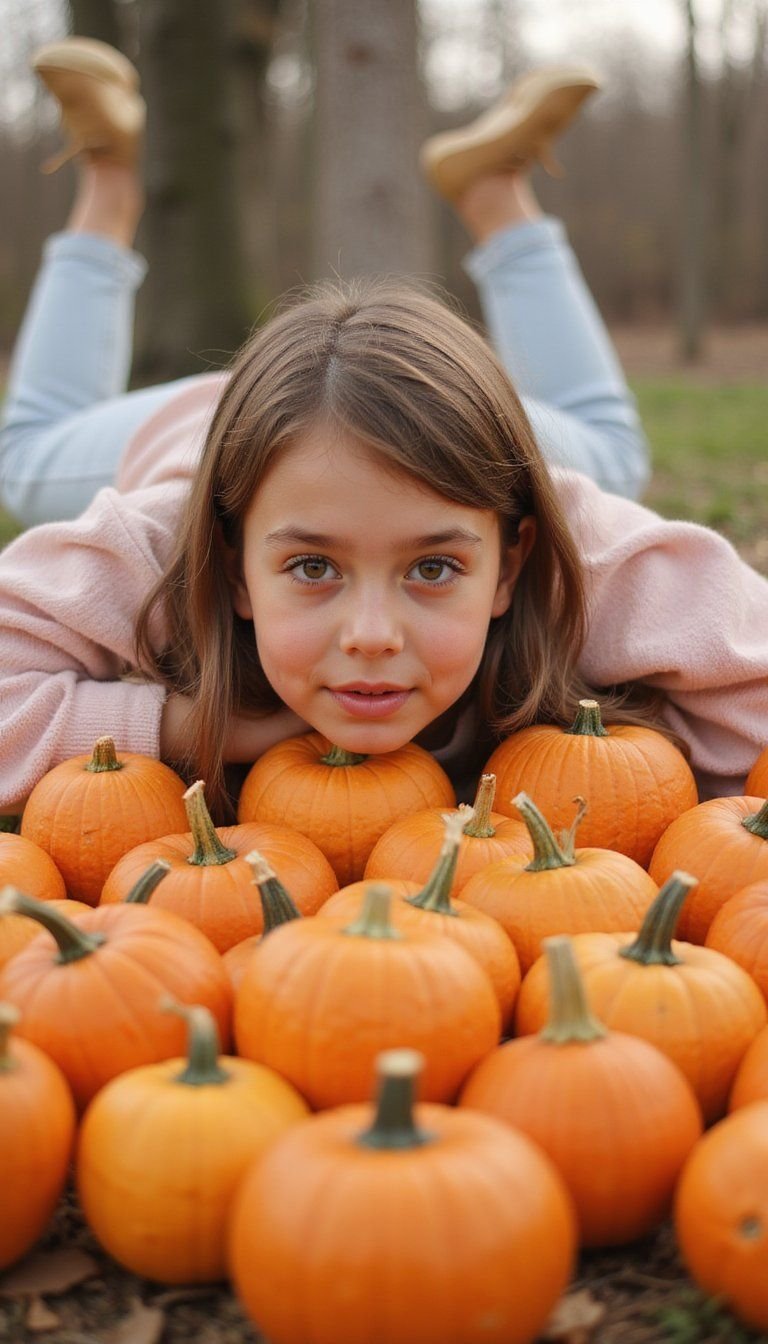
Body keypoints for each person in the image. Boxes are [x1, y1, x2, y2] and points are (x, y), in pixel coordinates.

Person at [0, 39, 766, 821]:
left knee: (606, 453)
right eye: (310, 567)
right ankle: (112, 179)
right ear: (233, 569)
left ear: (510, 562)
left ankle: (495, 191)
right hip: (198, 428)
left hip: (434, 414)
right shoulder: (160, 545)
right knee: (24, 455)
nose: (371, 637)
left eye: (433, 569)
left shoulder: (586, 561)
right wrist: (195, 724)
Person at [0, 43, 650, 530]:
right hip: (424, 403)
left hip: (233, 426)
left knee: (27, 461)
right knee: (610, 457)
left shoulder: (177, 500)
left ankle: (112, 176)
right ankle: (495, 190)